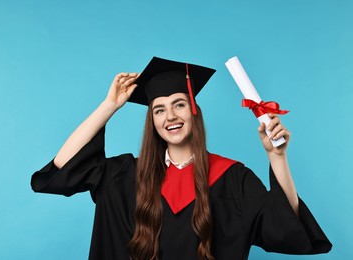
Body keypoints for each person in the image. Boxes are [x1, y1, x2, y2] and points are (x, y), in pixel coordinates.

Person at [31, 57, 332, 260]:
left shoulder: (231, 178)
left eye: (179, 105)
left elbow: (286, 225)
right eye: (159, 110)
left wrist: (277, 157)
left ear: (194, 111)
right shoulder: (124, 175)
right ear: (152, 121)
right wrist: (109, 106)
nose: (170, 116)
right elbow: (62, 169)